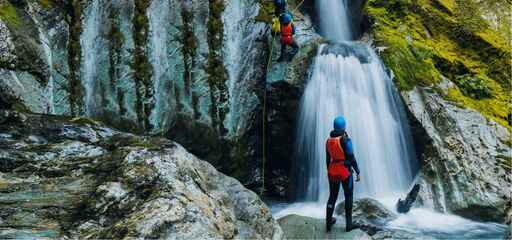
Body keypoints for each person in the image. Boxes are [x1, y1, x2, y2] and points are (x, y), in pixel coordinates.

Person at [325, 116, 361, 232]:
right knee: (348, 196)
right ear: (344, 127)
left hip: (332, 170)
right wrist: (357, 171)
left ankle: (328, 223)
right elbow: (351, 157)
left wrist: (329, 172)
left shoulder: (328, 141)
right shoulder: (345, 140)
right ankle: (349, 225)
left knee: (332, 196)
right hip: (345, 171)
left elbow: (327, 159)